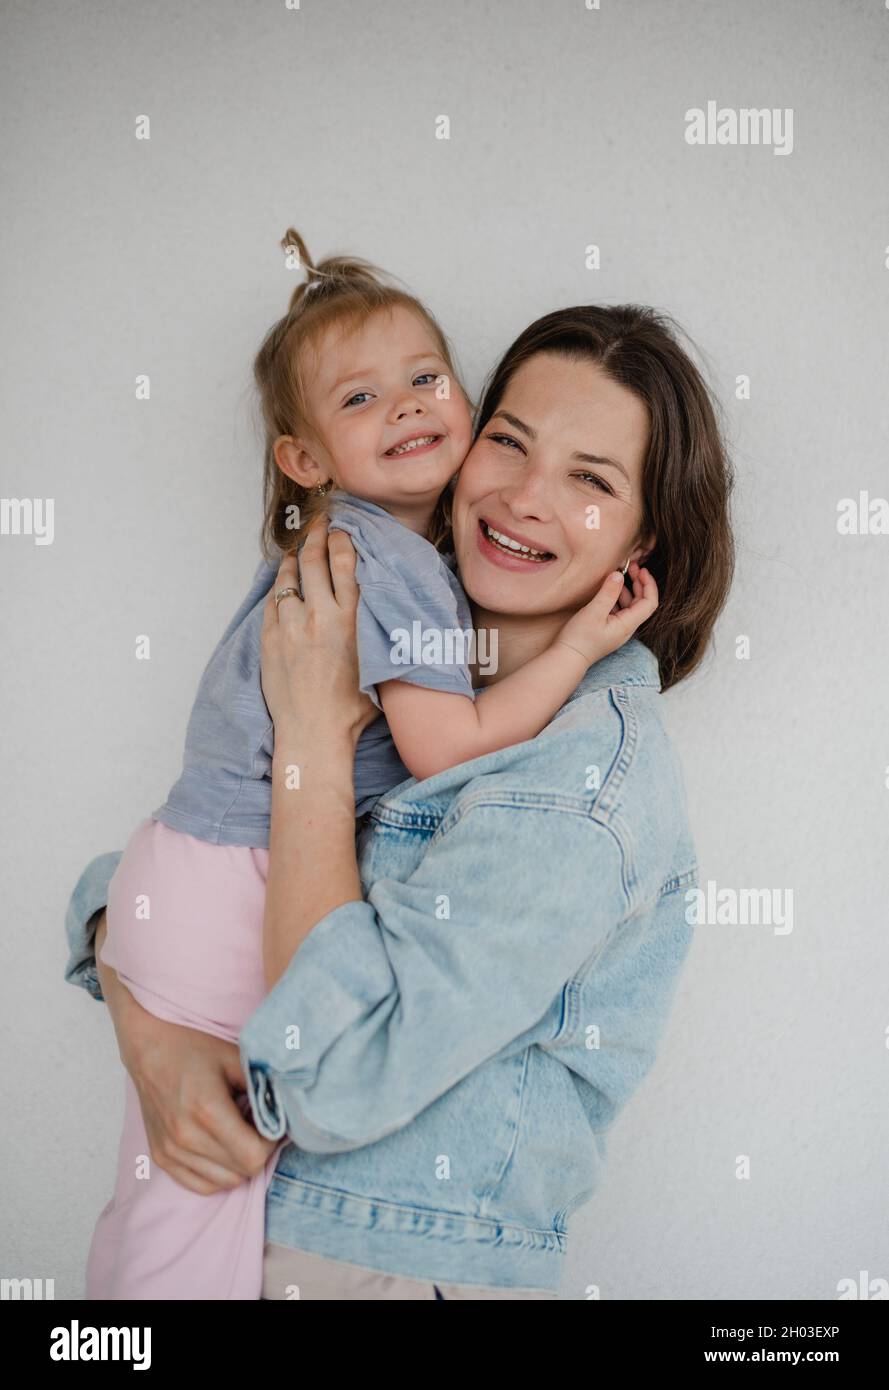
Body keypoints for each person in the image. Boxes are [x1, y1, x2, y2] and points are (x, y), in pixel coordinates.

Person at [65, 301, 734, 1299]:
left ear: (649, 543)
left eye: (590, 480)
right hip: (255, 1234)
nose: (522, 496)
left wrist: (313, 749)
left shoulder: (574, 791)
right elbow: (182, 866)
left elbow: (327, 1075)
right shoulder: (383, 615)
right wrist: (150, 1029)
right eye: (508, 441)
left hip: (372, 1267)